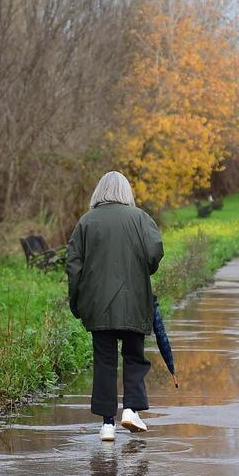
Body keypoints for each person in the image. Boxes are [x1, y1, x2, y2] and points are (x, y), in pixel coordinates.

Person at [66, 171, 164, 442]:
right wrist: (146, 269)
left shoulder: (86, 223)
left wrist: (77, 303)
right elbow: (155, 252)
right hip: (134, 301)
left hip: (99, 306)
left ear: (99, 192)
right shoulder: (141, 218)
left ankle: (107, 424)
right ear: (126, 192)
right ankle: (130, 410)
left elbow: (73, 266)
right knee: (134, 356)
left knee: (104, 362)